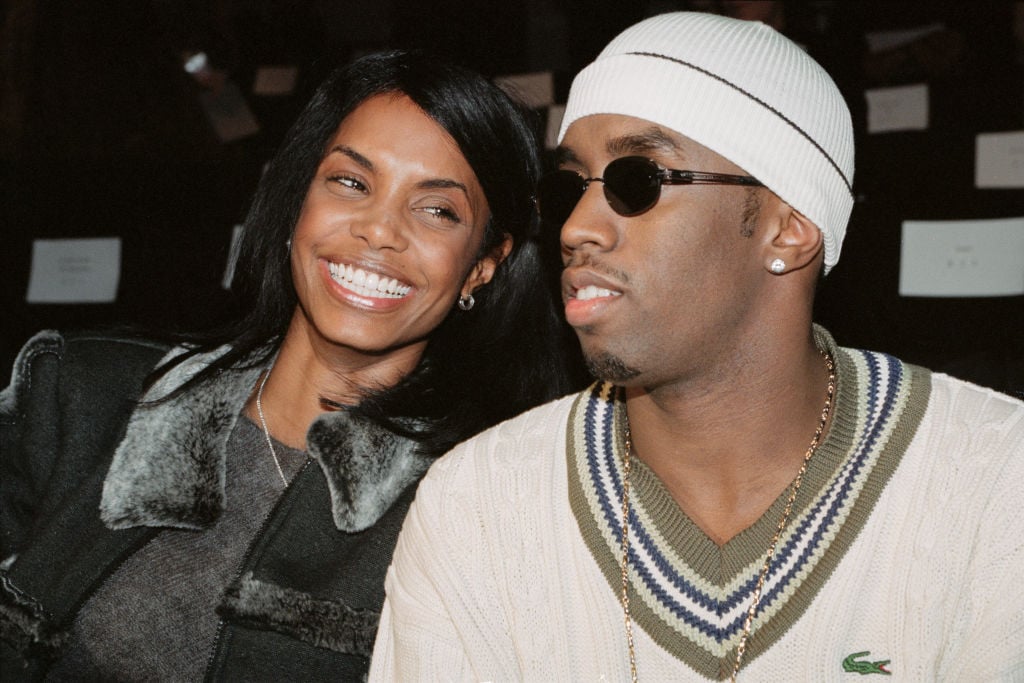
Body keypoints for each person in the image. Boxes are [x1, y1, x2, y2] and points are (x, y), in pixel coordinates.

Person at [370, 12, 1024, 682]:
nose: (576, 228)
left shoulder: (994, 484)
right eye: (570, 186)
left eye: (639, 179)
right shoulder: (479, 507)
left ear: (789, 228)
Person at [0, 49, 577, 680]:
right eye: (351, 183)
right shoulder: (75, 395)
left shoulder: (481, 512)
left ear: (484, 262)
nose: (380, 230)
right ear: (297, 202)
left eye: (437, 209)